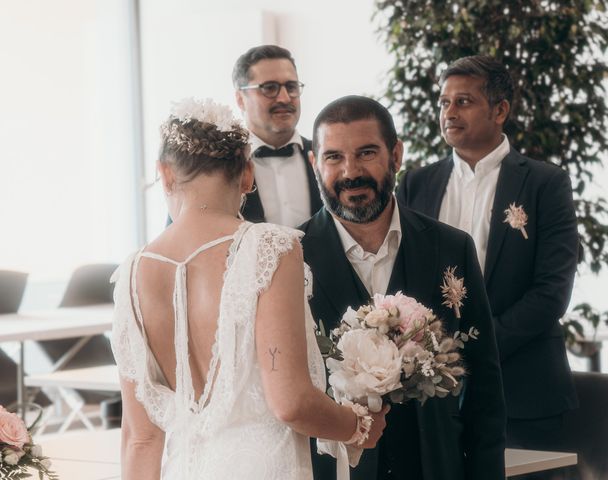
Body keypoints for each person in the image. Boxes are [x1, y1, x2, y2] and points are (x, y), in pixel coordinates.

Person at [110, 98, 387, 480]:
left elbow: (139, 439)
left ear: (165, 173)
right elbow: (290, 402)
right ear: (247, 175)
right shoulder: (268, 247)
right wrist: (356, 426)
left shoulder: (132, 273)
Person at [300, 95, 506, 480]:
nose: (350, 172)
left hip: (434, 466)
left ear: (396, 154)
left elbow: (485, 392)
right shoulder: (289, 257)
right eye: (333, 157)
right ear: (314, 164)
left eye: (366, 153)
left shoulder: (452, 247)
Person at [397, 55, 579, 454]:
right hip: (430, 394)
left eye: (463, 101)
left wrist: (476, 346)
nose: (449, 112)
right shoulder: (415, 184)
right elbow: (401, 279)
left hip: (523, 389)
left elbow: (552, 291)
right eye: (444, 102)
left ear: (500, 110)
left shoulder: (546, 183)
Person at [233, 45, 322, 226]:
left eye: (291, 86)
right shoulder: (220, 165)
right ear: (240, 99)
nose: (284, 98)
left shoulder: (326, 155)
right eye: (269, 88)